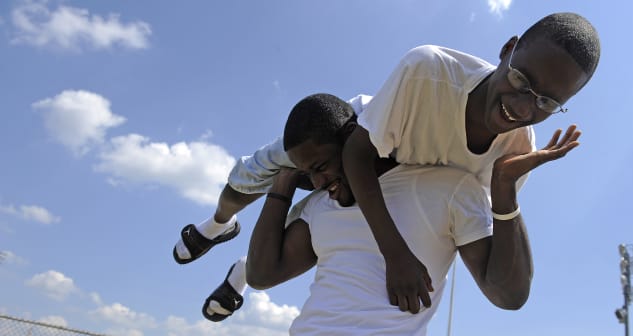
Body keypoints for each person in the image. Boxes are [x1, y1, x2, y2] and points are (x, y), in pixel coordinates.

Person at [176, 12, 600, 317]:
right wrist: (395, 255)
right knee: (254, 174)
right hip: (354, 140)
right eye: (521, 81)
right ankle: (217, 225)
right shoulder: (430, 68)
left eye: (547, 102)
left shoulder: (515, 149)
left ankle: (242, 275)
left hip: (399, 182)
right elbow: (358, 153)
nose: (522, 107)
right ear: (508, 50)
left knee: (309, 226)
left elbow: (480, 235)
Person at [230, 93, 577, 336]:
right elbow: (261, 274)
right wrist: (284, 182)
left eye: (321, 166)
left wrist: (503, 187)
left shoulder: (450, 187)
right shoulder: (321, 203)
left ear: (353, 140)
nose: (319, 181)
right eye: (308, 172)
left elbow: (509, 294)